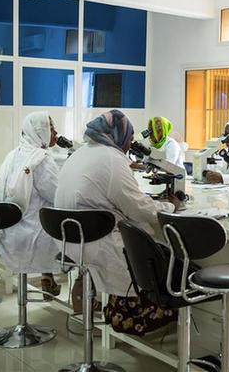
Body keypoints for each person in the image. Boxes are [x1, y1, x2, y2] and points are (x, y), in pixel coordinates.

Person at [54, 109, 180, 335]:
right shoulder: (112, 159)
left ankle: (113, 308)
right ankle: (142, 313)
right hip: (95, 241)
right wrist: (170, 206)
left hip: (69, 239)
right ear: (118, 135)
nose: (130, 144)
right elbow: (139, 208)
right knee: (160, 252)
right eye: (130, 138)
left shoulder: (82, 153)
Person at [0, 111, 61, 299]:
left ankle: (47, 277)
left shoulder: (13, 154)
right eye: (51, 128)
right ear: (39, 131)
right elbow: (57, 195)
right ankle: (84, 293)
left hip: (10, 232)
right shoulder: (41, 159)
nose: (55, 133)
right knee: (84, 238)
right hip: (32, 235)